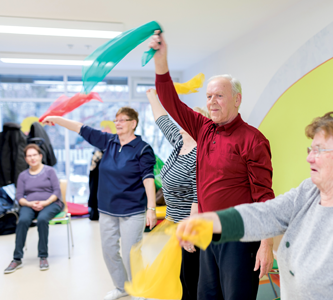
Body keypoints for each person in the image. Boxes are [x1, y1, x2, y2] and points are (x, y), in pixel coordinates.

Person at [178, 110, 333, 299]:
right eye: (310, 150)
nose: (310, 158)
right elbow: (267, 213)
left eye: (320, 150)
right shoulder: (310, 192)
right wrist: (209, 221)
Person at [149, 32, 275, 300]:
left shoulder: (253, 140)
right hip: (208, 235)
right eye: (208, 96)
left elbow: (264, 198)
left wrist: (267, 244)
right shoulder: (203, 129)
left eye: (219, 96)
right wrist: (161, 63)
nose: (212, 102)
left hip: (240, 239)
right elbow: (169, 100)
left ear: (237, 99)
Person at [42, 107, 157, 300]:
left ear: (133, 123)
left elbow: (148, 179)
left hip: (132, 210)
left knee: (131, 254)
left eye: (122, 120)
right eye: (116, 120)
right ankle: (122, 287)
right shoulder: (108, 141)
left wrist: (151, 208)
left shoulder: (143, 149)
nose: (117, 123)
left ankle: (139, 289)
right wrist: (56, 118)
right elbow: (80, 128)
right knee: (109, 251)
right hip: (107, 210)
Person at [147, 88, 209, 300]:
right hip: (174, 223)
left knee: (190, 282)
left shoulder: (200, 154)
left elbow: (197, 198)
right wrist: (151, 96)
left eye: (187, 119)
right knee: (179, 278)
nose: (181, 122)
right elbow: (162, 120)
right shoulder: (180, 142)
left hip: (190, 227)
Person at [4, 144, 63, 273]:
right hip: (30, 204)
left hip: (51, 203)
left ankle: (43, 256)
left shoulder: (49, 171)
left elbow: (57, 191)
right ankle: (17, 259)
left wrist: (45, 202)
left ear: (40, 156)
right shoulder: (23, 175)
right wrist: (31, 204)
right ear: (25, 159)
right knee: (23, 220)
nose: (32, 158)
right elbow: (19, 196)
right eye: (29, 156)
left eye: (34, 155)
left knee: (42, 219)